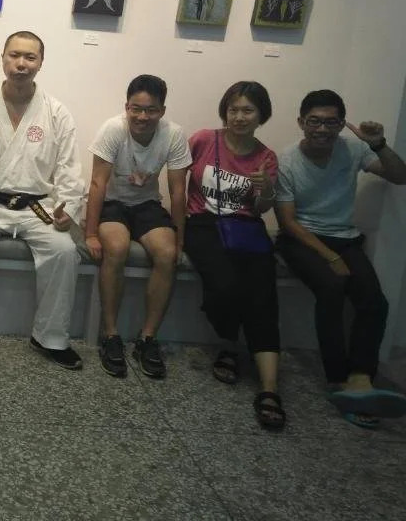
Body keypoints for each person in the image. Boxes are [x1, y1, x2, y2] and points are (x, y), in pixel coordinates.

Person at [0, 31, 86, 368]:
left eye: (30, 57)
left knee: (64, 251)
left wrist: (68, 207)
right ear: (3, 58)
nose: (21, 64)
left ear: (41, 63)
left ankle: (50, 337)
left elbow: (69, 167)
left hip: (38, 206)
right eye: (15, 55)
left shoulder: (56, 112)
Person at [275, 89, 406, 428]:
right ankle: (337, 380)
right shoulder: (287, 160)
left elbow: (399, 175)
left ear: (341, 124)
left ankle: (361, 378)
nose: (322, 129)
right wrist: (330, 257)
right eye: (315, 121)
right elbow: (288, 222)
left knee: (375, 302)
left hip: (344, 238)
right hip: (300, 239)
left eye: (331, 122)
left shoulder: (353, 149)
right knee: (332, 289)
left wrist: (378, 144)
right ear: (301, 122)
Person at [184, 82, 285, 430]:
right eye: (233, 110)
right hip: (202, 224)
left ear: (261, 115)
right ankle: (230, 345)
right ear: (225, 112)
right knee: (225, 285)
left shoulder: (266, 157)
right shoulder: (203, 140)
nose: (239, 117)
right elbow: (175, 175)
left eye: (248, 110)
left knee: (263, 292)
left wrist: (266, 190)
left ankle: (269, 388)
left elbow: (261, 208)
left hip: (246, 228)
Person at [86, 74, 191, 379]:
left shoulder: (173, 134)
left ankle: (147, 339)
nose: (143, 117)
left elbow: (177, 192)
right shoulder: (113, 129)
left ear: (162, 110)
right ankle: (110, 334)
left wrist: (180, 240)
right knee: (116, 248)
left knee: (167, 255)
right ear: (127, 107)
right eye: (136, 109)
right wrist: (90, 233)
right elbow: (97, 183)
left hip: (147, 205)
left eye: (151, 110)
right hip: (113, 204)